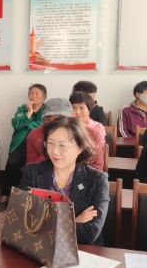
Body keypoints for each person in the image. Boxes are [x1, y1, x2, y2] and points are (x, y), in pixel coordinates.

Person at [20, 116, 110, 245]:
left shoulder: (97, 179)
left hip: (81, 250)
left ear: (80, 147)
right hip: (39, 246)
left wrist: (44, 224)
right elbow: (22, 220)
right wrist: (73, 221)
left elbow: (90, 233)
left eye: (63, 146)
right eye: (50, 143)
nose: (55, 152)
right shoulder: (32, 172)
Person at [0, 84, 47, 213]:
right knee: (11, 164)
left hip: (39, 146)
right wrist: (28, 113)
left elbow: (42, 127)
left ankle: (32, 201)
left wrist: (27, 123)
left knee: (37, 168)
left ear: (44, 97)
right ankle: (5, 197)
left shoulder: (47, 111)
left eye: (37, 93)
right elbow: (16, 124)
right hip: (20, 145)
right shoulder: (22, 108)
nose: (33, 95)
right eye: (31, 93)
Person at [25, 98, 72, 165]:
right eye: (49, 118)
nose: (54, 122)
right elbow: (31, 166)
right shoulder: (34, 135)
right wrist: (49, 150)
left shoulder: (82, 131)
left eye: (59, 118)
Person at [69, 92, 106, 171]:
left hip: (89, 167)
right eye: (73, 107)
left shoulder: (97, 128)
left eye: (82, 108)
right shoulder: (65, 126)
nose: (77, 112)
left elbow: (97, 155)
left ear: (89, 110)